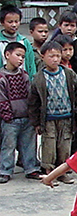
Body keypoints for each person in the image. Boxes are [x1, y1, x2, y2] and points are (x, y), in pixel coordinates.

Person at [28, 41, 77, 185]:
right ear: (42, 57)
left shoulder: (68, 74)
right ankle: (49, 172)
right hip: (48, 118)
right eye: (51, 56)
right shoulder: (38, 78)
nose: (55, 59)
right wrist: (36, 122)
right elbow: (33, 103)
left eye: (57, 56)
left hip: (67, 117)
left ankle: (63, 172)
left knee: (64, 145)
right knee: (49, 144)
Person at [0, 42, 40, 183]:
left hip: (26, 117)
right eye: (18, 55)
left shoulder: (24, 75)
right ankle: (5, 170)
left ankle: (31, 168)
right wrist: (8, 116)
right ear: (7, 55)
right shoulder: (2, 77)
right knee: (8, 145)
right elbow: (2, 100)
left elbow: (30, 96)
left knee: (29, 143)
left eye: (23, 56)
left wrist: (32, 114)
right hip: (10, 120)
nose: (21, 59)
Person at [1, 4, 38, 79]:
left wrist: (32, 81)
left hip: (23, 81)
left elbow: (31, 65)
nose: (14, 25)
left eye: (16, 21)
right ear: (2, 22)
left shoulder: (24, 41)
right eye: (10, 22)